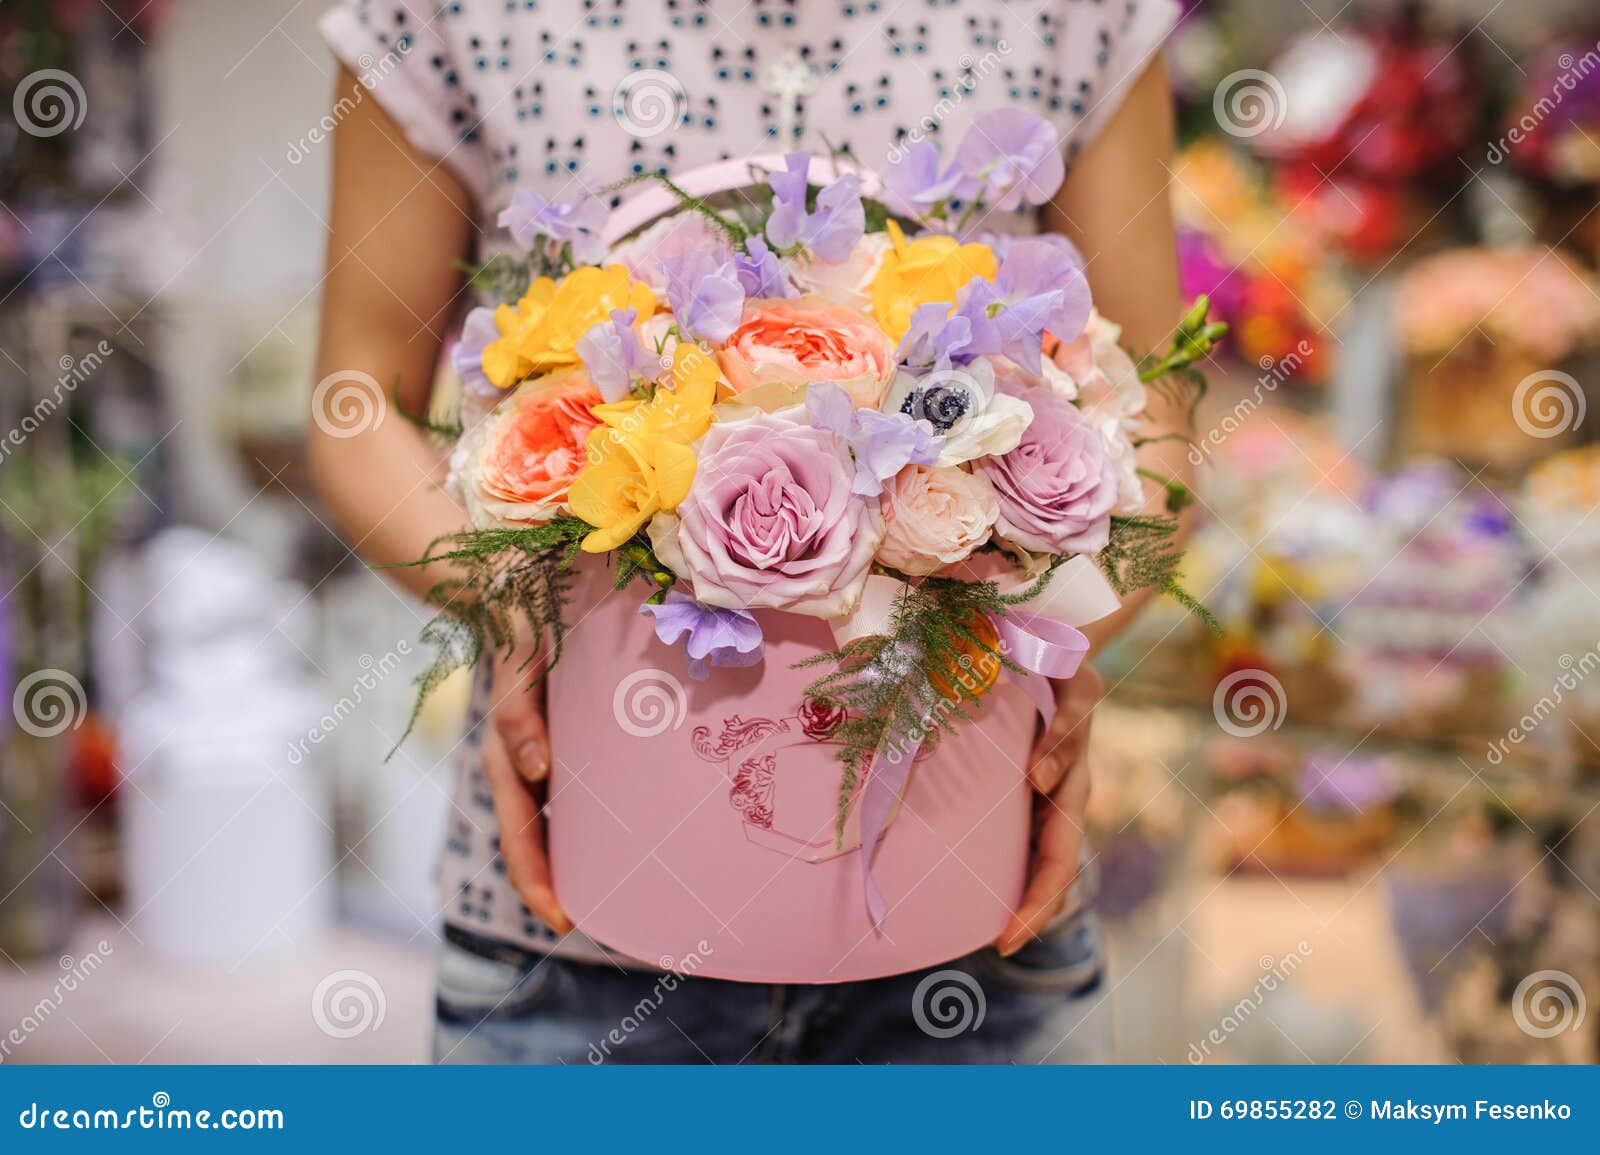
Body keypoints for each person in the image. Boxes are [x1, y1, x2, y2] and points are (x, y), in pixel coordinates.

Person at [310, 0, 1189, 1063]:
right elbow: (354, 401)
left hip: (973, 905)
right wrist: (520, 606)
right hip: (573, 931)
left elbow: (1155, 411)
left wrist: (1041, 642)